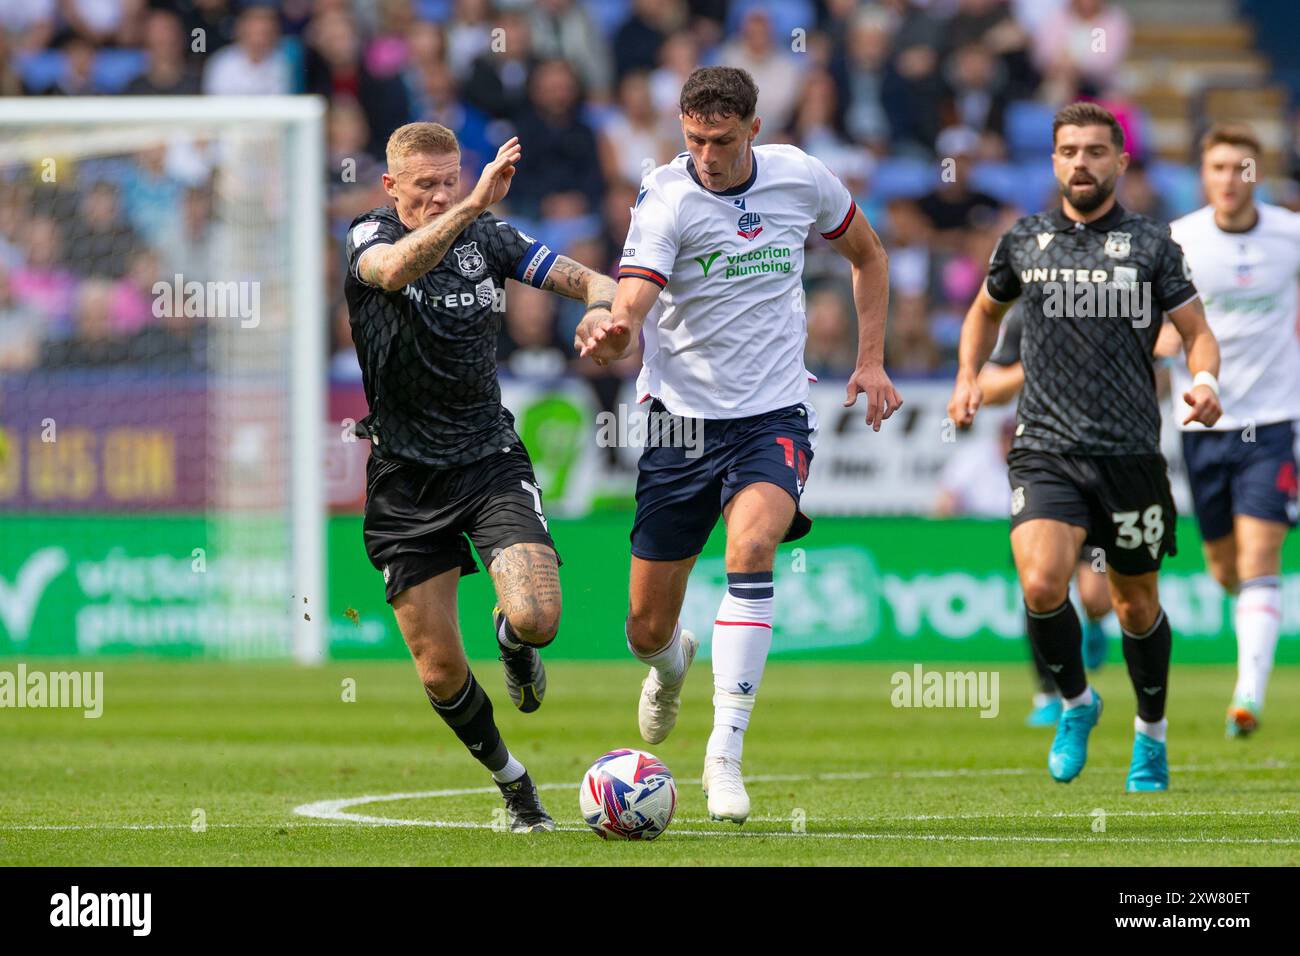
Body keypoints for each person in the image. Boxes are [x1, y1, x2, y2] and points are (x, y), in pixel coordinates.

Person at [577, 67, 900, 823]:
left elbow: (870, 256)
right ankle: (670, 665)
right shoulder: (667, 197)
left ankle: (724, 754)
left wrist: (871, 358)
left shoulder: (801, 178)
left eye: (721, 141)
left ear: (754, 129)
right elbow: (634, 294)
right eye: (694, 140)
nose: (707, 155)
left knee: (751, 550)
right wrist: (616, 327)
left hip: (774, 415)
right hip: (680, 423)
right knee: (645, 627)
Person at [344, 122, 619, 832]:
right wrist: (470, 205)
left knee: (538, 617)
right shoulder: (366, 238)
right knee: (437, 670)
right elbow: (396, 270)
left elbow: (592, 279)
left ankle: (512, 639)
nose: (441, 195)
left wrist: (601, 311)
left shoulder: (489, 240)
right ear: (392, 186)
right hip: (404, 478)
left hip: (487, 458)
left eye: (450, 181)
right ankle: (515, 785)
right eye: (426, 185)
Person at [947, 102, 1222, 793]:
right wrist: (966, 378)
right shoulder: (1023, 241)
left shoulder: (1154, 245)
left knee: (1133, 606)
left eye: (1096, 151)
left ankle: (1151, 735)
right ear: (1053, 161)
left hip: (1130, 454)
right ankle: (1075, 704)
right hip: (1045, 448)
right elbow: (984, 311)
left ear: (1120, 162)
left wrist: (1207, 380)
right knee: (1041, 583)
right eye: (1069, 150)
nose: (1081, 163)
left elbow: (1196, 332)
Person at [1155, 123, 1300, 739]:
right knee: (1223, 565)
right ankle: (1253, 621)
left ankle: (1247, 696)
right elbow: (1158, 325)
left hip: (1274, 421)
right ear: (1203, 175)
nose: (1228, 180)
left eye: (1240, 168)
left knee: (1261, 551)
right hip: (1201, 423)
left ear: (1256, 175)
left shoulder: (1291, 236)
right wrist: (1166, 350)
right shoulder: (1177, 240)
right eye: (1216, 167)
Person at [977, 305, 1114, 728]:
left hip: (1105, 469)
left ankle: (1093, 624)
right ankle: (1048, 693)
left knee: (1095, 596)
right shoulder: (1025, 316)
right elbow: (989, 386)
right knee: (1039, 585)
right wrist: (1033, 365)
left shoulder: (1114, 307)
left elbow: (1156, 378)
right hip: (1045, 471)